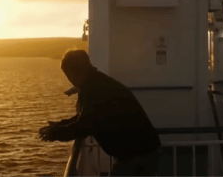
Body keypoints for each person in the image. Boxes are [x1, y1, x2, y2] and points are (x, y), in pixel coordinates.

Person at [39, 49, 162, 177]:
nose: (70, 80)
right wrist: (59, 125)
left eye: (68, 76)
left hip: (137, 154)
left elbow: (84, 126)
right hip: (143, 149)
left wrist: (54, 133)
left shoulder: (92, 89)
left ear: (72, 74)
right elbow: (86, 117)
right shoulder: (98, 81)